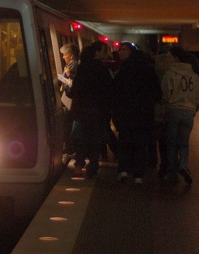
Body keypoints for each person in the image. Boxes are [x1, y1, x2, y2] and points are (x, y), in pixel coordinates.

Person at [112, 43, 162, 184]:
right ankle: (138, 175)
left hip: (125, 114)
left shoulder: (123, 71)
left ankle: (123, 171)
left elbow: (115, 93)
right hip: (144, 115)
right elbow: (158, 94)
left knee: (125, 144)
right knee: (141, 146)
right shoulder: (149, 73)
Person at [69, 44, 112, 178]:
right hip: (98, 110)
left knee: (83, 137)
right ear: (97, 53)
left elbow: (76, 89)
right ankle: (92, 166)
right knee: (95, 139)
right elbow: (109, 90)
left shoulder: (82, 68)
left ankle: (78, 164)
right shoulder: (102, 69)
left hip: (83, 109)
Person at [161, 46, 199, 184]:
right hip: (189, 112)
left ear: (176, 58)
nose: (168, 59)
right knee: (184, 143)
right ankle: (183, 165)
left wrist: (166, 107)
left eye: (169, 56)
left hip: (173, 110)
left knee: (171, 143)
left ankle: (172, 173)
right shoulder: (194, 75)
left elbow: (166, 94)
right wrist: (193, 110)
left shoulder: (170, 74)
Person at [152, 52, 175, 178]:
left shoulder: (154, 76)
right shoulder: (172, 76)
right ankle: (171, 167)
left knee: (159, 141)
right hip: (170, 112)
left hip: (157, 113)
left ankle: (159, 164)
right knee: (170, 142)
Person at [59, 43, 80, 154]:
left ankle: (69, 146)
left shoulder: (74, 65)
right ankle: (68, 145)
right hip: (67, 99)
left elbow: (74, 83)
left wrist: (67, 76)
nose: (63, 57)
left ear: (71, 55)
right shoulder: (71, 65)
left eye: (64, 55)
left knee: (68, 124)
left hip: (69, 100)